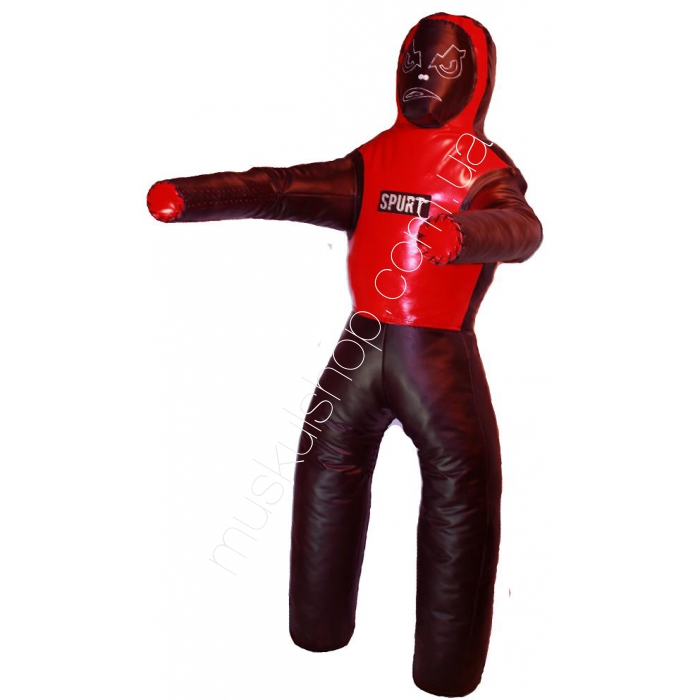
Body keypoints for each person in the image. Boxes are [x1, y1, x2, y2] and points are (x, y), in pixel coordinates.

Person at [147, 12, 542, 697]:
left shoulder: (482, 166)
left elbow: (521, 227)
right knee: (326, 471)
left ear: (474, 78)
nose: (423, 76)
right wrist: (193, 197)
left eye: (442, 66)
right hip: (361, 347)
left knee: (460, 496)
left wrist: (462, 234)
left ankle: (445, 671)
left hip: (435, 354)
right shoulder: (376, 158)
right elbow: (280, 188)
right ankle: (317, 629)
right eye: (415, 62)